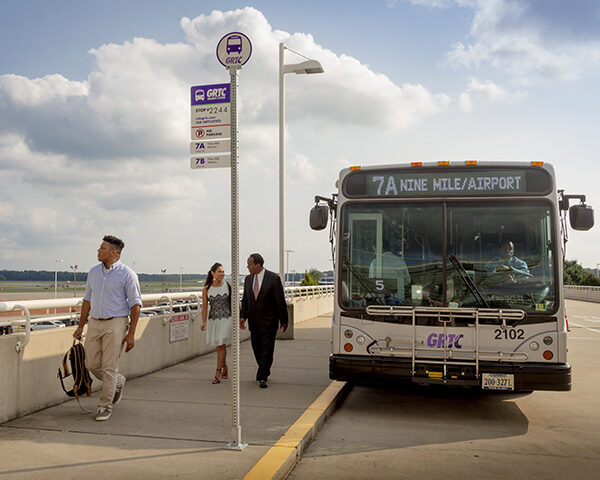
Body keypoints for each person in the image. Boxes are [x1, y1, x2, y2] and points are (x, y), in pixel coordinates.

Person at [73, 235, 141, 422]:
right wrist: (80, 326)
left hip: (116, 322)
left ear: (113, 252)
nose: (98, 251)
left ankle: (105, 406)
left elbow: (136, 305)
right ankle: (118, 382)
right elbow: (87, 300)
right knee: (91, 364)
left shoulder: (128, 275)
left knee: (109, 367)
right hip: (94, 322)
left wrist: (131, 334)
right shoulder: (93, 272)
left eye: (102, 248)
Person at [240, 253, 288, 389]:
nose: (247, 267)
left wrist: (284, 320)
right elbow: (245, 300)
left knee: (267, 349)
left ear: (258, 265)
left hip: (269, 321)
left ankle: (262, 376)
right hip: (253, 322)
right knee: (257, 348)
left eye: (249, 264)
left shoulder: (273, 279)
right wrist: (243, 317)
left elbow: (280, 301)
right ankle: (264, 368)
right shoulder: (248, 280)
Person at [201, 262, 232, 384]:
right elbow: (204, 307)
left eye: (223, 271)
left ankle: (217, 372)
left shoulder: (228, 286)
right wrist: (203, 322)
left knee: (220, 345)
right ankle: (225, 367)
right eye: (220, 271)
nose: (222, 274)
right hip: (213, 319)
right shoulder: (206, 289)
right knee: (220, 345)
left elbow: (234, 303)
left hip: (226, 319)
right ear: (213, 273)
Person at [368, 238, 411, 303]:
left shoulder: (375, 263)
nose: (374, 253)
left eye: (375, 250)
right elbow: (407, 281)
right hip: (400, 301)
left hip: (381, 302)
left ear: (380, 248)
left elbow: (372, 284)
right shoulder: (400, 261)